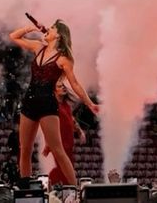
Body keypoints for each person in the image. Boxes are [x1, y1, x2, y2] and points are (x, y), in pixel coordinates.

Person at [9, 19, 99, 185]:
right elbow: (13, 37)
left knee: (58, 150)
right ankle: (25, 189)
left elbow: (75, 84)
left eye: (52, 28)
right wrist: (29, 28)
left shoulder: (64, 59)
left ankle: (75, 190)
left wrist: (89, 103)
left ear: (59, 35)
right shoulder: (38, 47)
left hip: (47, 104)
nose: (47, 29)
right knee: (25, 150)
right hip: (29, 102)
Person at [43, 82, 86, 185]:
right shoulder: (52, 105)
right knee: (63, 168)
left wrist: (79, 131)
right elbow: (46, 125)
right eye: (59, 86)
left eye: (63, 86)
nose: (63, 87)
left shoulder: (66, 105)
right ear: (54, 91)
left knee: (67, 167)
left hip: (68, 142)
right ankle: (53, 185)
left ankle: (61, 187)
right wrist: (47, 143)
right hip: (58, 143)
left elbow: (72, 120)